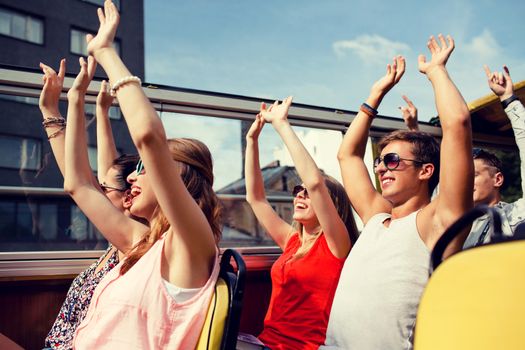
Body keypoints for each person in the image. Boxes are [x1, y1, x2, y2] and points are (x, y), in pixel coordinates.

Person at [66, 1, 221, 348]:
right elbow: (77, 185)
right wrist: (75, 99)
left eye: (142, 168)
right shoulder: (144, 243)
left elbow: (149, 137)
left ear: (176, 176)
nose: (131, 179)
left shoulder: (192, 246)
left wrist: (106, 51)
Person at [323, 34, 473, 350]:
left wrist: (436, 72)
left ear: (426, 171)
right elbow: (347, 156)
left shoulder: (437, 221)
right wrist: (374, 96)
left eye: (392, 160)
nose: (380, 169)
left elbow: (457, 125)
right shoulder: (376, 216)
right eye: (379, 161)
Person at [38, 59, 141, 350]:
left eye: (103, 187)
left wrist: (68, 103)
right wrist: (102, 112)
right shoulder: (118, 243)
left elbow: (78, 181)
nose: (96, 188)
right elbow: (100, 171)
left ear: (129, 197)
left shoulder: (131, 245)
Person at [245, 97, 358, 349]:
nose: (300, 195)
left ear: (331, 205)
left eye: (308, 193)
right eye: (298, 190)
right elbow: (255, 199)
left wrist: (282, 124)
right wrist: (251, 141)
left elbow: (316, 182)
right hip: (267, 342)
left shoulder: (335, 244)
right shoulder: (293, 241)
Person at [463, 65, 525, 248]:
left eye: (474, 175)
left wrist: (508, 99)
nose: (465, 182)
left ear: (497, 179)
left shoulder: (518, 213)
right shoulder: (456, 225)